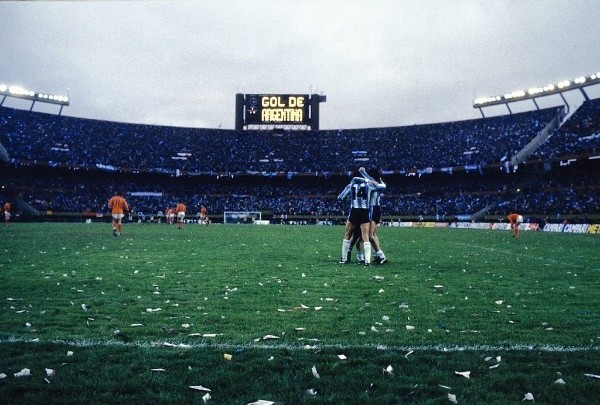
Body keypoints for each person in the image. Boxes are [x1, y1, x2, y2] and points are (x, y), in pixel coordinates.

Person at [337, 170, 385, 266]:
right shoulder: (369, 185)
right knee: (366, 236)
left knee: (349, 235)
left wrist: (348, 200)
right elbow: (382, 187)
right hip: (365, 210)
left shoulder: (351, 185)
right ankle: (367, 261)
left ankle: (344, 258)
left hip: (354, 210)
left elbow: (340, 197)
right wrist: (371, 180)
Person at [359, 167, 387, 264]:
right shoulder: (376, 182)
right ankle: (377, 255)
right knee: (374, 234)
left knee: (370, 235)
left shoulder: (375, 184)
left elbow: (382, 186)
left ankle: (381, 255)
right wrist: (363, 172)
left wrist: (364, 173)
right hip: (376, 209)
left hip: (372, 208)